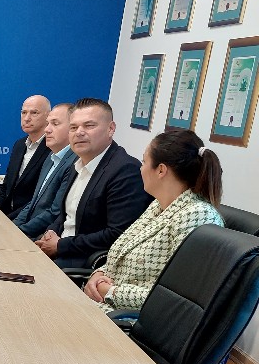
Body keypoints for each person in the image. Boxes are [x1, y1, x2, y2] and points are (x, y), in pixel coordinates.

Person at [85, 130, 224, 312]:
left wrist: (110, 292)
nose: (140, 168)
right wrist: (99, 274)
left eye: (144, 162)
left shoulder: (197, 216)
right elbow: (122, 256)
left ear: (161, 170)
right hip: (103, 305)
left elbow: (177, 298)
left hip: (128, 319)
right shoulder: (158, 205)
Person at [35, 98, 152, 268]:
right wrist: (50, 232)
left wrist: (61, 245)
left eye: (89, 126)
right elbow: (66, 215)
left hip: (83, 263)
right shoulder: (77, 163)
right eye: (73, 127)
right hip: (58, 252)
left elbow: (118, 234)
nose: (79, 133)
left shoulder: (125, 170)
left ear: (111, 129)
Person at [13, 103, 78, 238]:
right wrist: (13, 226)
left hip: (44, 237)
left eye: (55, 124)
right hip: (27, 232)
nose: (47, 130)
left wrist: (18, 233)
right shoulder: (50, 157)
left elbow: (54, 212)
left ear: (73, 128)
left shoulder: (74, 163)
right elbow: (33, 202)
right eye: (48, 124)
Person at [0, 94, 51, 218]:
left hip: (28, 219)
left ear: (48, 117)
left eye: (34, 113)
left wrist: (9, 220)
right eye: (24, 113)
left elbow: (40, 199)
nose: (27, 118)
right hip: (6, 213)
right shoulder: (19, 145)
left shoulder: (52, 148)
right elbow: (6, 186)